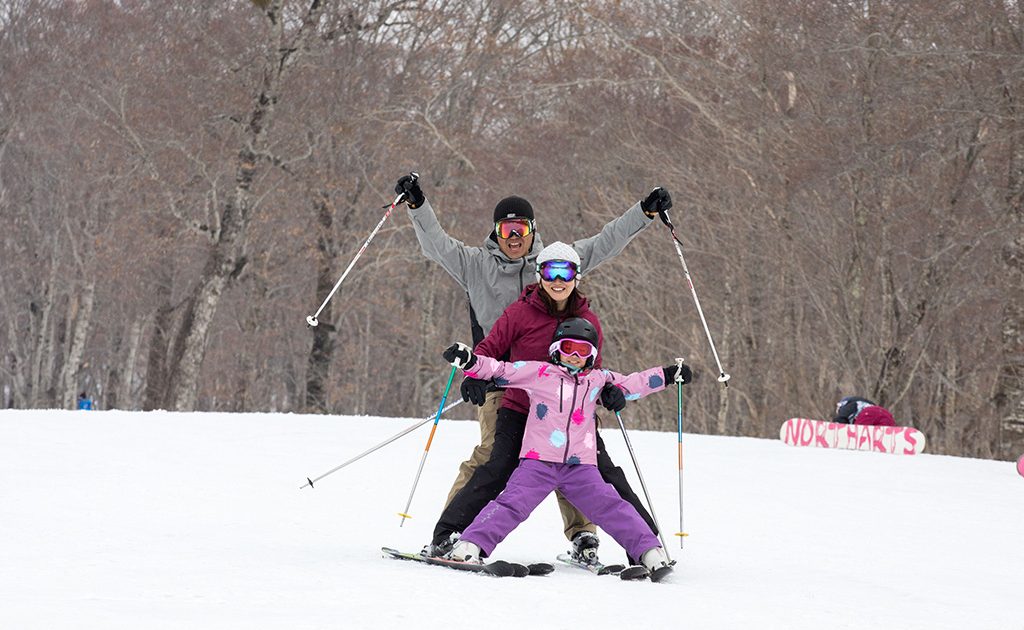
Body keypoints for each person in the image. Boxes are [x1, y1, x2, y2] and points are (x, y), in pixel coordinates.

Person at [396, 173, 673, 563]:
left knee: (577, 456)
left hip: (568, 387)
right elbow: (436, 245)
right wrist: (417, 205)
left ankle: (586, 536)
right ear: (496, 231)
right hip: (501, 383)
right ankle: (452, 534)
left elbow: (606, 241)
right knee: (494, 458)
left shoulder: (555, 263)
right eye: (506, 228)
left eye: (520, 227)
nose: (514, 236)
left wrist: (644, 212)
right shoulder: (475, 264)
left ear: (532, 230)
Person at [426, 242, 691, 567]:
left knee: (608, 480)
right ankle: (450, 535)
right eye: (551, 271)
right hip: (520, 408)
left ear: (576, 277)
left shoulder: (587, 319)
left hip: (573, 422)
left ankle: (648, 549)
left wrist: (615, 391)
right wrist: (473, 369)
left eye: (566, 272)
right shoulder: (521, 314)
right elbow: (494, 355)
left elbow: (605, 375)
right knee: (498, 469)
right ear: (540, 274)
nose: (558, 280)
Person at [440, 317, 690, 582]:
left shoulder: (597, 380)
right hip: (538, 464)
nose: (573, 356)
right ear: (556, 349)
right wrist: (470, 361)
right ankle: (469, 546)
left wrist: (667, 375)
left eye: (582, 351)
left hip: (581, 468)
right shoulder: (540, 373)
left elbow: (633, 384)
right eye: (567, 347)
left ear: (591, 355)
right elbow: (502, 369)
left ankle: (650, 553)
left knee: (613, 507)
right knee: (511, 505)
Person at [832, 396, 896, 427]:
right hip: (886, 414)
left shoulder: (847, 405)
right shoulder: (862, 402)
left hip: (868, 413)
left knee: (859, 434)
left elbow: (841, 419)